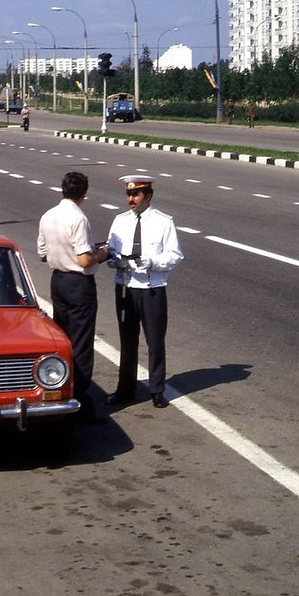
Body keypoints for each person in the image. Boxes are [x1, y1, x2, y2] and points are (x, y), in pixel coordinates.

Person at [37, 171, 111, 423]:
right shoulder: (79, 218)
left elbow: (43, 254)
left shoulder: (48, 215)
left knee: (63, 339)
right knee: (81, 342)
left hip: (57, 281)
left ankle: (60, 386)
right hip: (79, 284)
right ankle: (78, 396)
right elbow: (84, 259)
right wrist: (103, 253)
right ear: (84, 194)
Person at [105, 175, 183, 409]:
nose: (131, 198)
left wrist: (152, 262)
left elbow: (175, 255)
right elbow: (109, 251)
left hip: (151, 289)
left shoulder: (163, 221)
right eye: (128, 194)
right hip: (126, 288)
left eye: (135, 194)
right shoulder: (120, 221)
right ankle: (125, 389)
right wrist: (116, 261)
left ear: (148, 196)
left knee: (155, 341)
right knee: (127, 341)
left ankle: (157, 389)